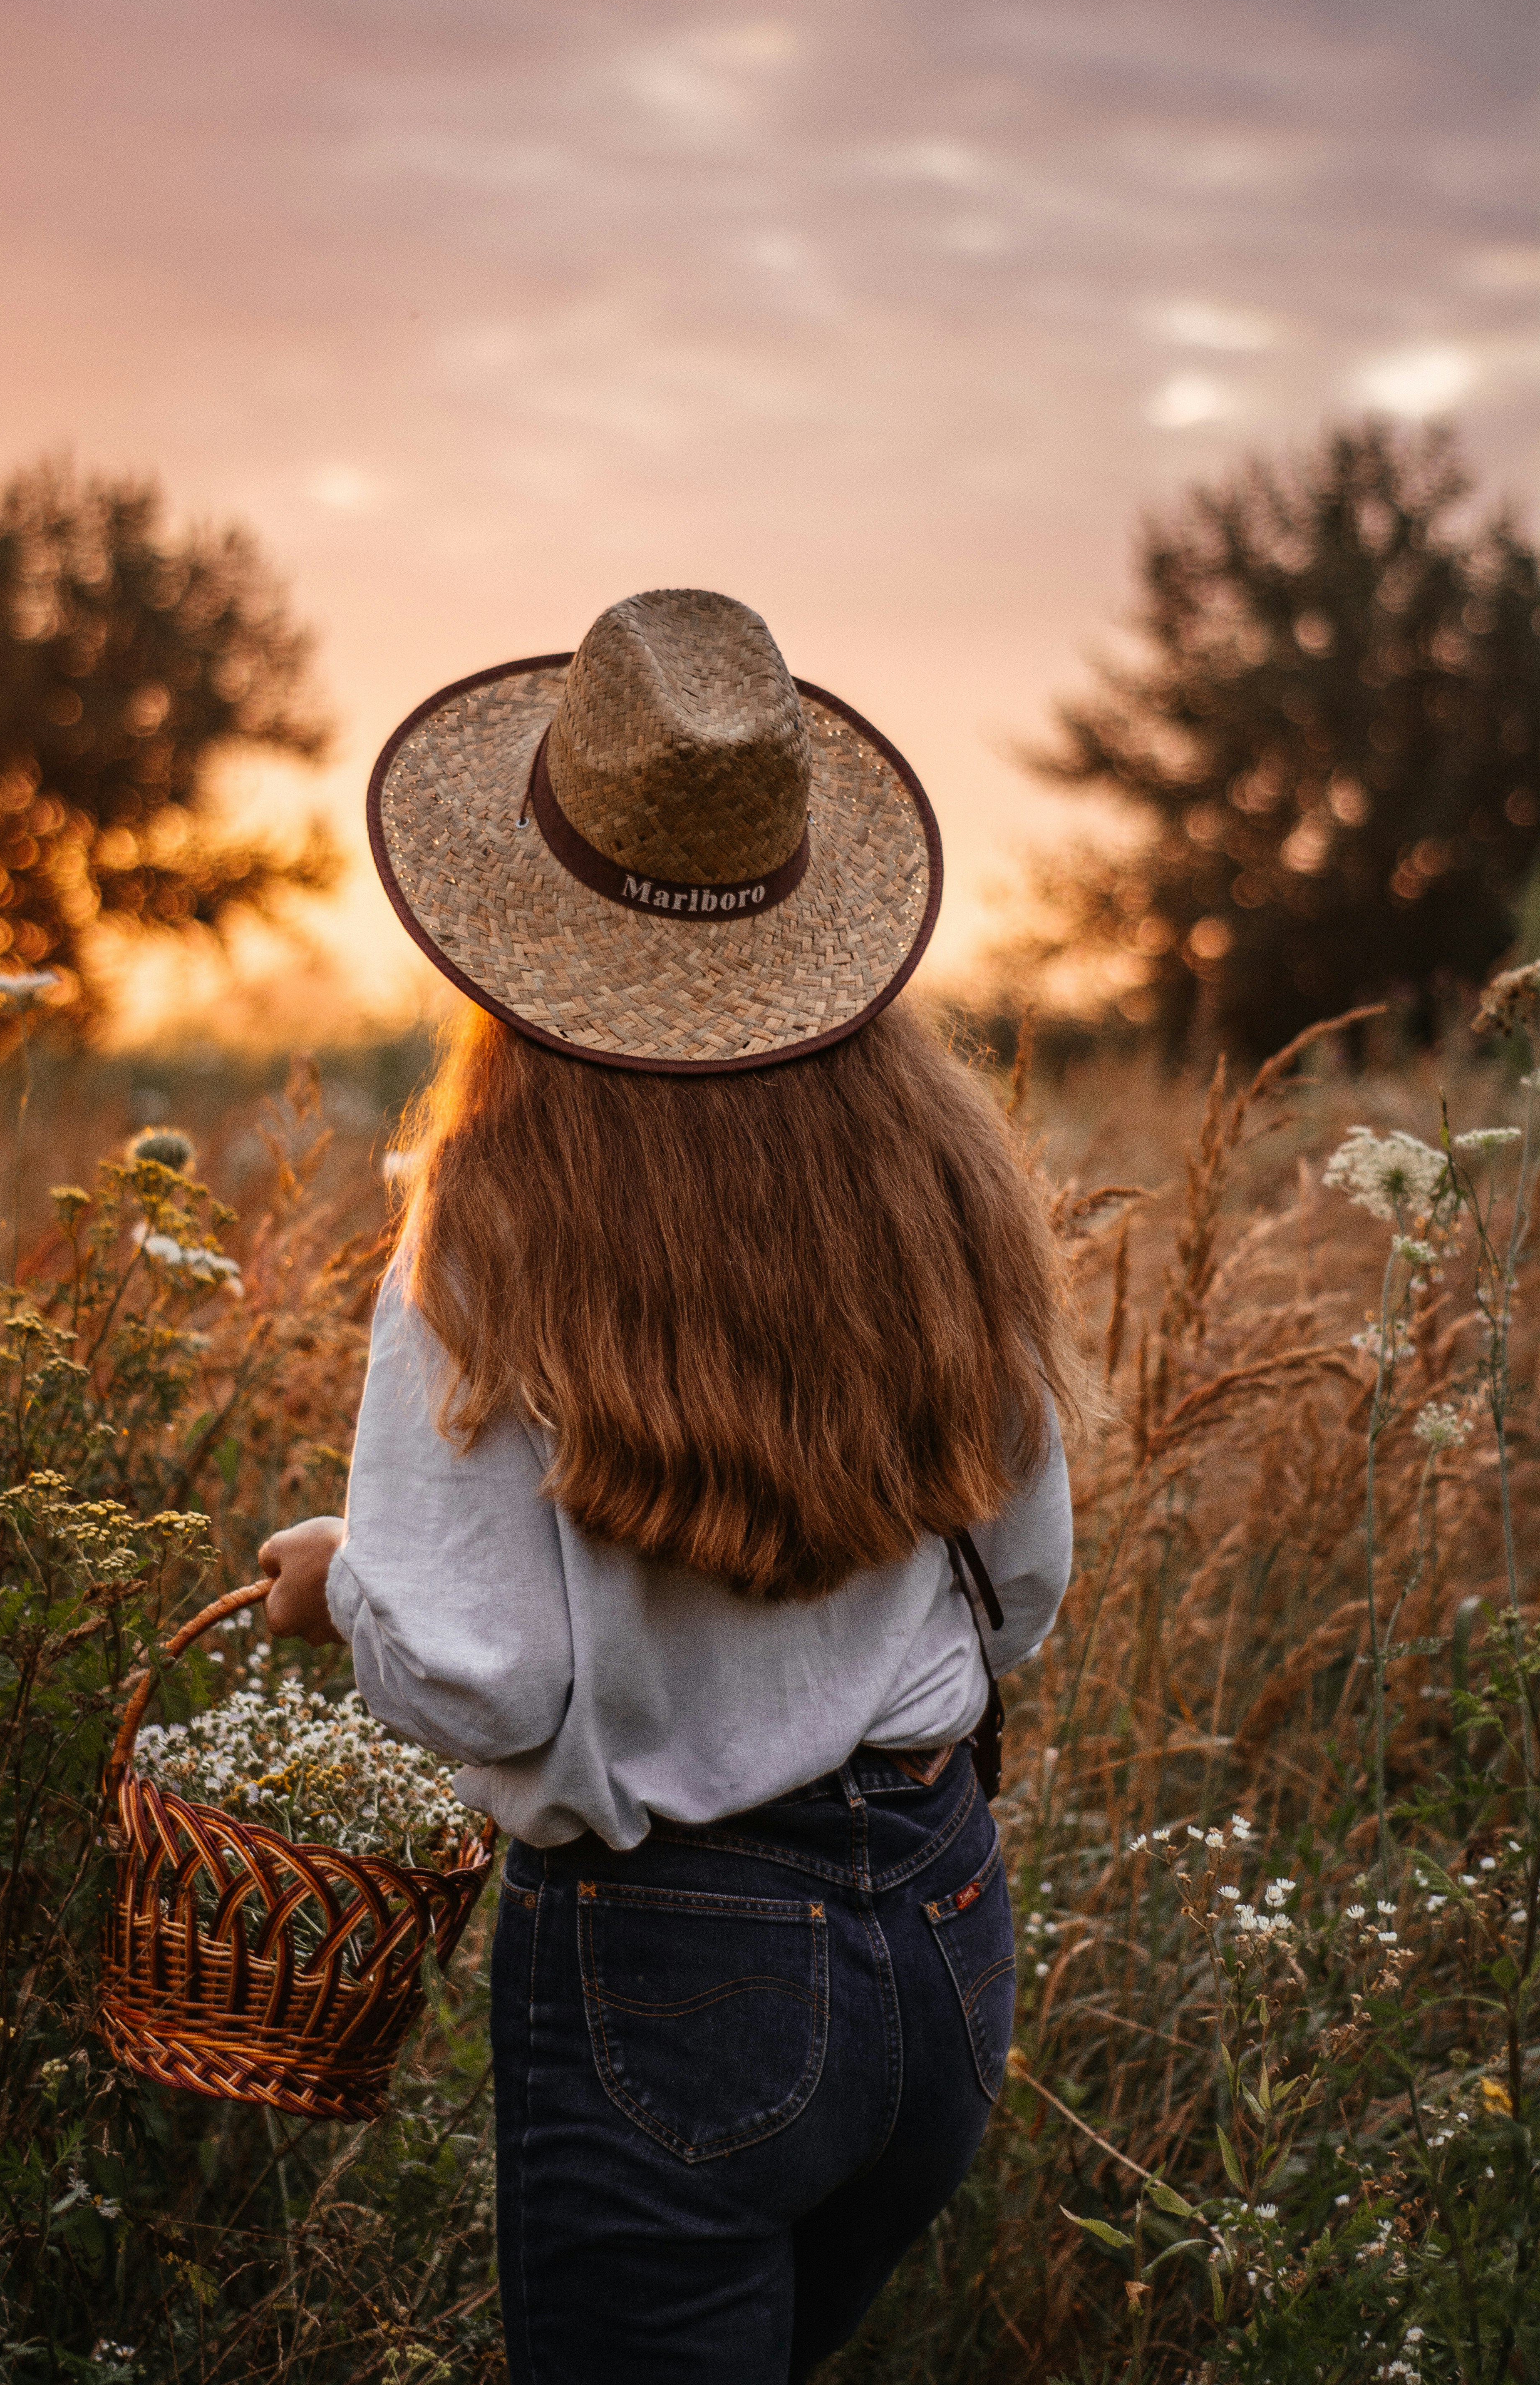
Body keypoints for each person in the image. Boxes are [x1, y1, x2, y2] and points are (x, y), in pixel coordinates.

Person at [258, 589, 1079, 2384]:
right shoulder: (944, 1173)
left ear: (516, 930)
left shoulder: (492, 1216)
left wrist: (340, 1585)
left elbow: (483, 1675)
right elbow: (1020, 1586)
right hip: (943, 1926)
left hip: (676, 1971)